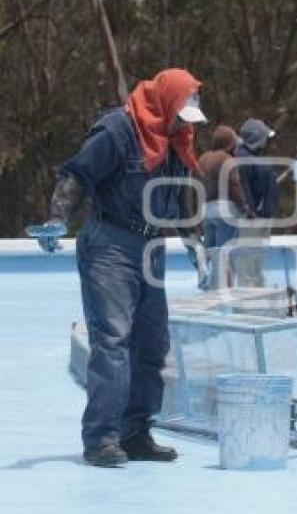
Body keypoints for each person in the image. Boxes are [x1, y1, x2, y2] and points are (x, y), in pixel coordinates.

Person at [36, 68, 208, 467]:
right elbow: (75, 175)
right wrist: (56, 219)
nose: (186, 125)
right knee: (113, 340)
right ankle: (101, 438)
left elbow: (182, 201)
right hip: (110, 243)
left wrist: (196, 244)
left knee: (153, 344)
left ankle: (135, 432)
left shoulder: (177, 137)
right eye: (181, 116)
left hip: (151, 246)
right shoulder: (118, 129)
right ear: (166, 102)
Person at [197, 125, 249, 289]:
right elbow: (234, 186)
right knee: (226, 255)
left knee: (212, 253)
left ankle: (209, 288)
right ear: (229, 144)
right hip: (226, 210)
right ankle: (226, 291)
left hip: (207, 209)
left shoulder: (202, 159)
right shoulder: (228, 160)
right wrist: (244, 206)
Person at [233, 118, 278, 287]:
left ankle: (258, 291)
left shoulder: (255, 156)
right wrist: (250, 210)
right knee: (247, 261)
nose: (267, 141)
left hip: (262, 216)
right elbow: (242, 186)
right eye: (264, 137)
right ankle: (247, 298)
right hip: (252, 218)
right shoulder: (243, 157)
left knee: (257, 259)